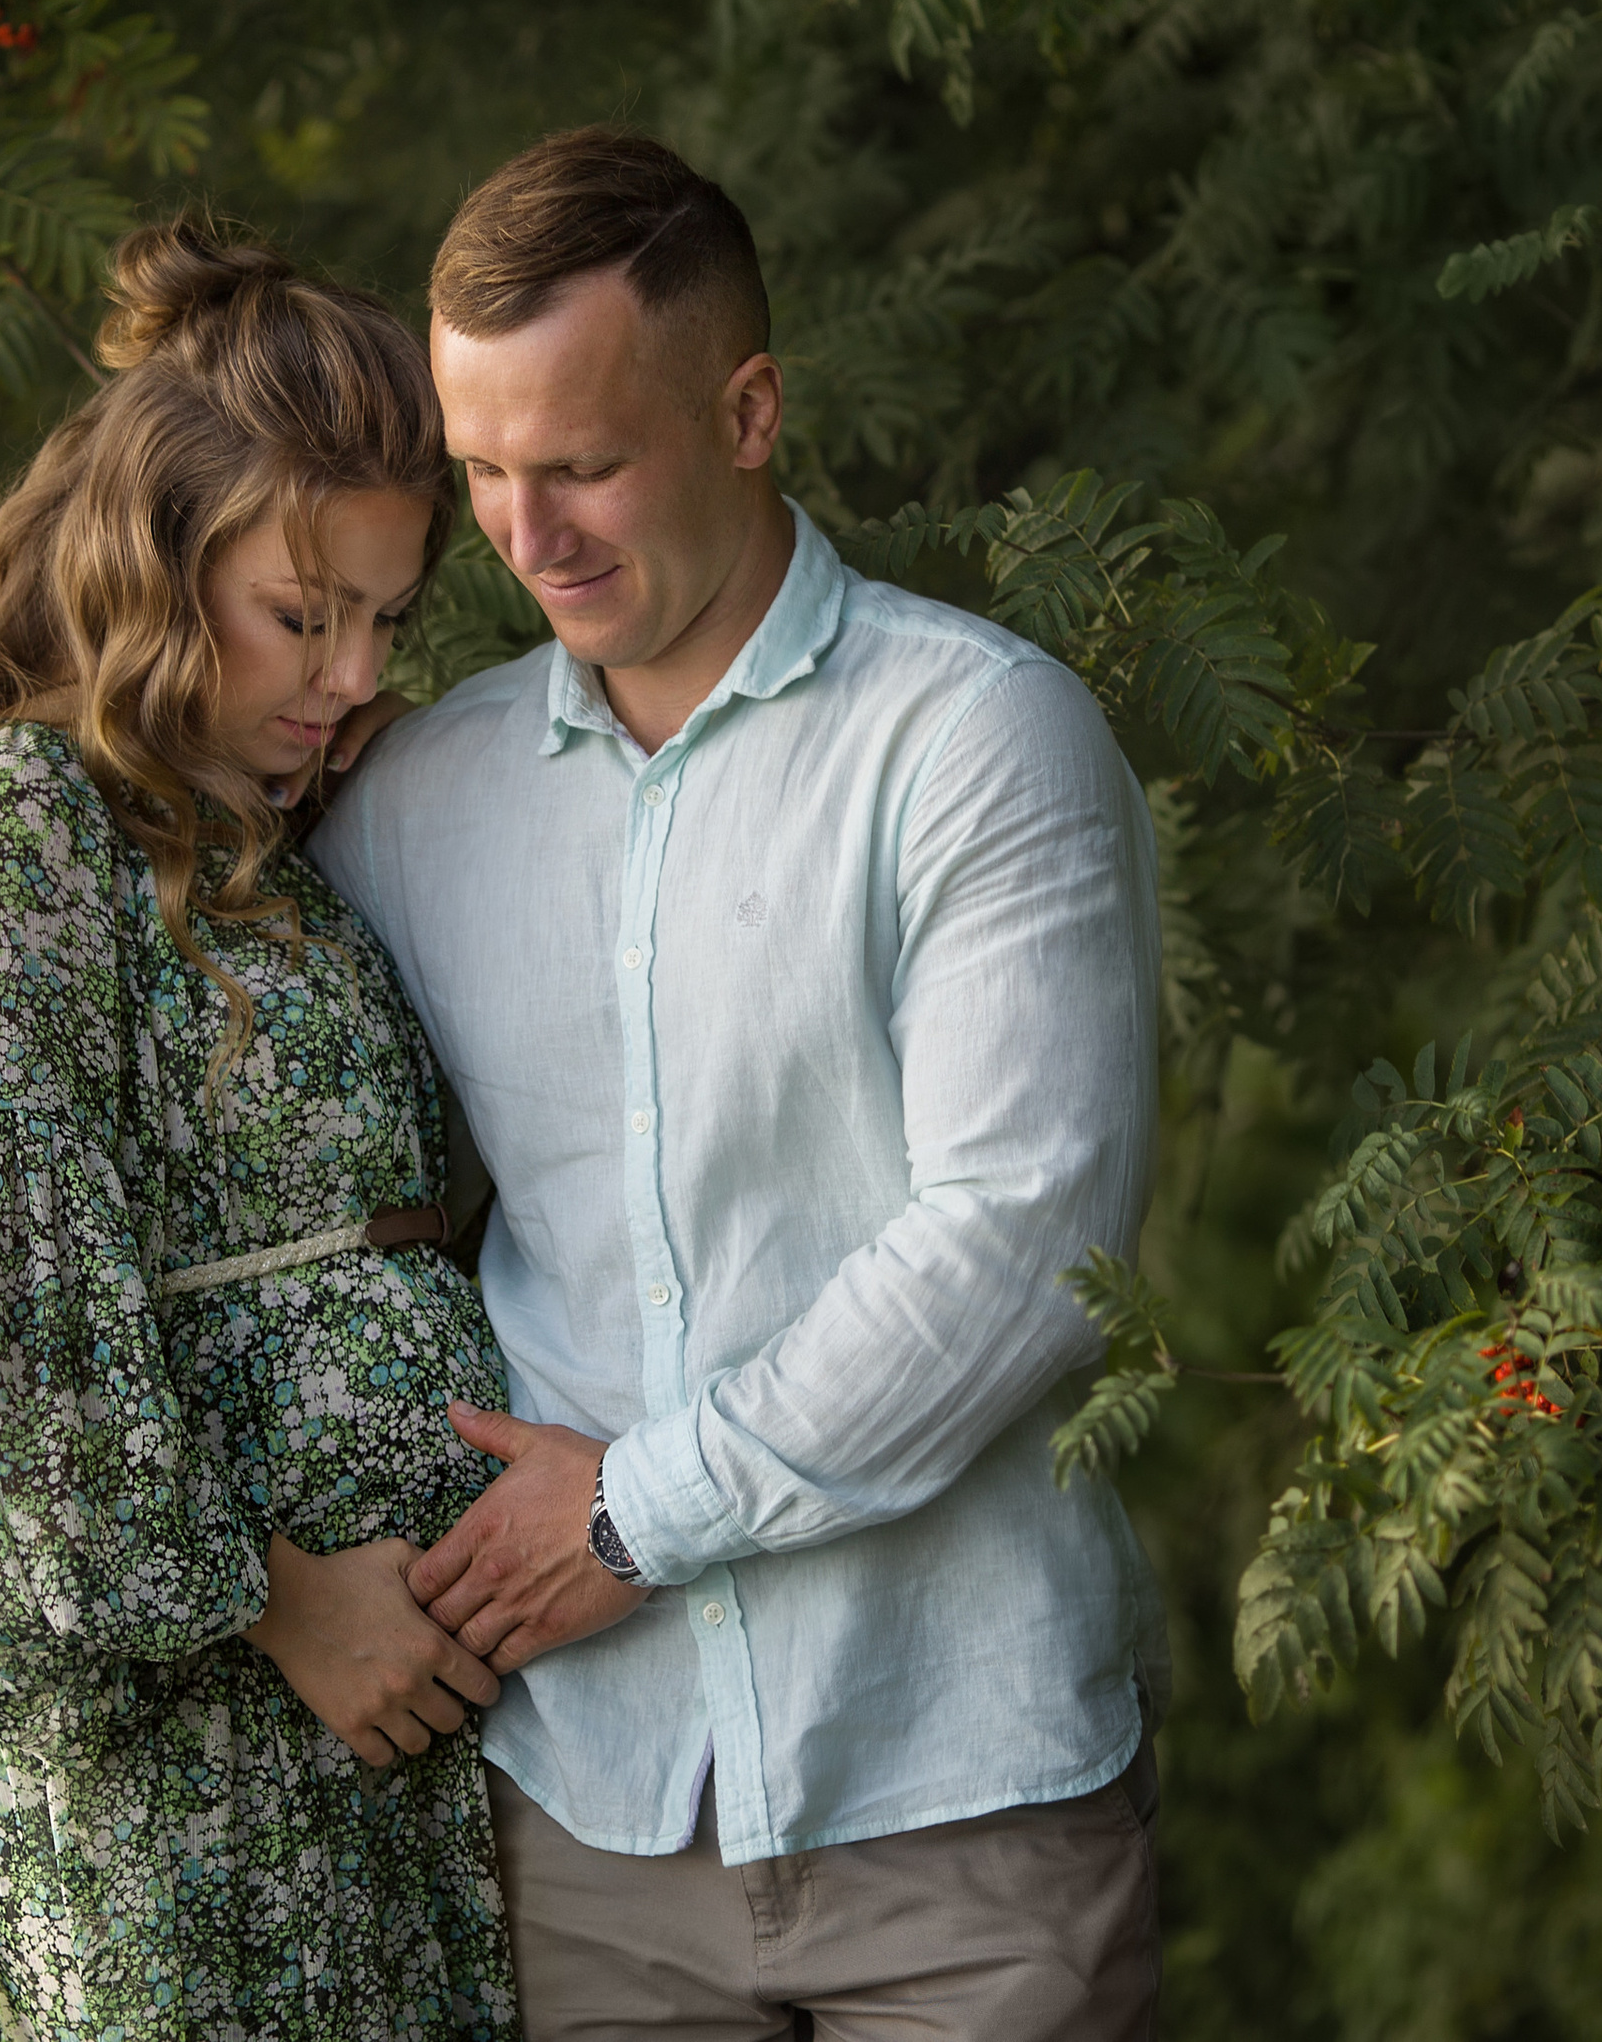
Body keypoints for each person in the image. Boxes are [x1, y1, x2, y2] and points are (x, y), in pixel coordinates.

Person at [307, 129, 1167, 2040]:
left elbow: (1020, 1245)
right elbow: (234, 1173)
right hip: (579, 1816)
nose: (529, 539)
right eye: (484, 475)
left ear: (751, 407)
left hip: (961, 1788)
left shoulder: (973, 743)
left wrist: (635, 1515)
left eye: (588, 464)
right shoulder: (411, 802)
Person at [0, 221, 518, 2041]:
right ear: (151, 553)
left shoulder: (255, 834)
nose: (355, 671)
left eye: (386, 616)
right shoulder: (4, 839)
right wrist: (279, 1603)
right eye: (307, 614)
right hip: (157, 1785)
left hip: (337, 1780)